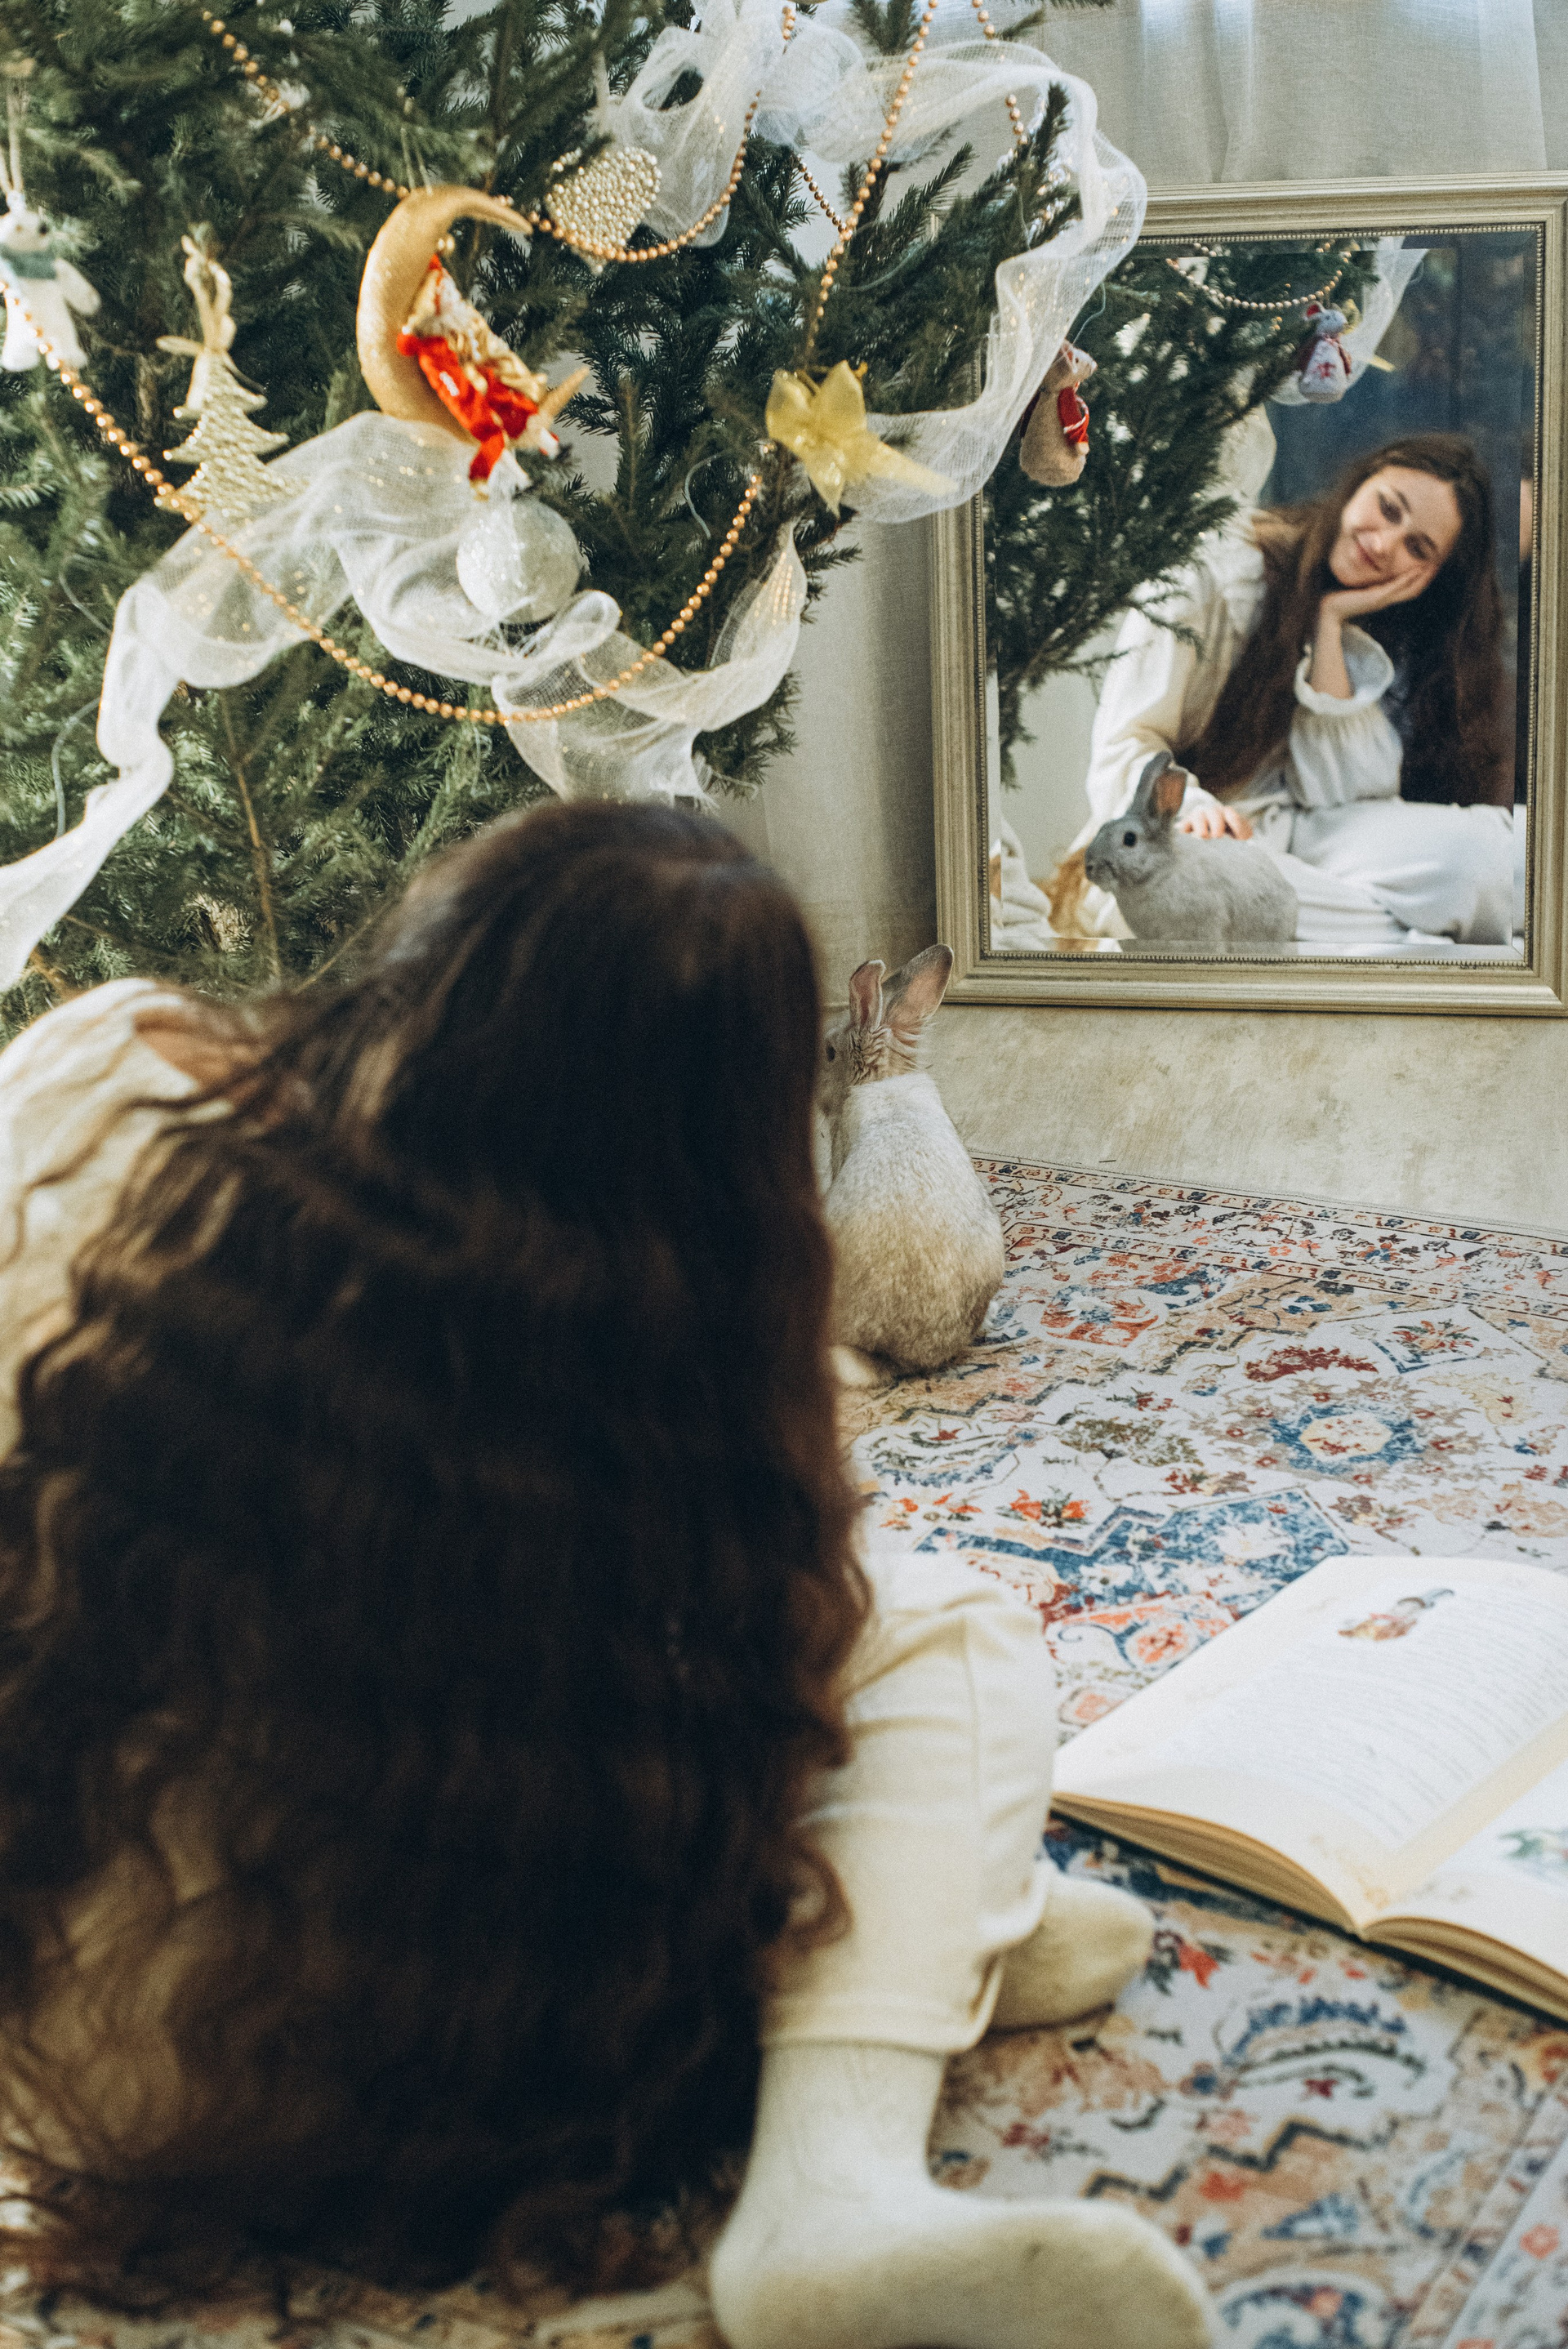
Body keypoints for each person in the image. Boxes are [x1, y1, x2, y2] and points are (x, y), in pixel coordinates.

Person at [0, 802, 1210, 2349]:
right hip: (398, 2057)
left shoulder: (108, 1079)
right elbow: (753, 1687)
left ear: (430, 954)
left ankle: (928, 1932)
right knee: (932, 1627)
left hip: (65, 2003)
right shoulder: (667, 1401)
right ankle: (843, 2170)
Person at [1075, 432, 1517, 948]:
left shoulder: (1364, 617)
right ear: (1358, 484)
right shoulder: (1213, 571)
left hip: (1306, 838)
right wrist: (1192, 809)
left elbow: (1343, 798)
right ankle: (1405, 938)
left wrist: (1329, 625)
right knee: (1215, 903)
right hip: (1188, 852)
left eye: (1417, 548)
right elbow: (1124, 744)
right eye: (1387, 509)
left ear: (1431, 576)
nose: (1383, 546)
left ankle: (1384, 936)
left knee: (1491, 859)